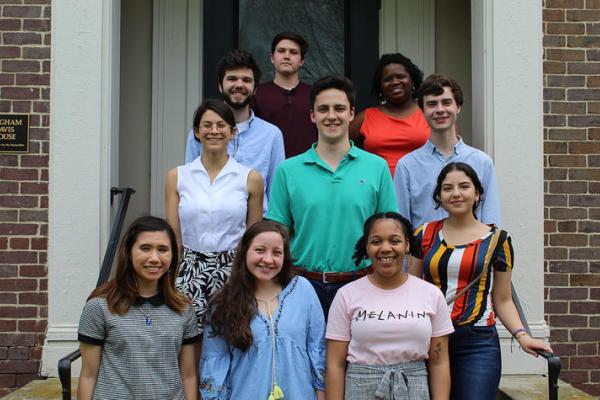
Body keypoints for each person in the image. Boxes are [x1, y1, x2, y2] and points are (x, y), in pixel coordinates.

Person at [412, 162, 552, 400]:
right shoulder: (424, 234)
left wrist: (521, 335)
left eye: (464, 186)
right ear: (439, 196)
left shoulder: (498, 240)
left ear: (477, 194)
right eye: (448, 188)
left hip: (476, 342)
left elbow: (503, 299)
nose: (456, 193)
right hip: (428, 338)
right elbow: (411, 289)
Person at [267, 75, 398, 316]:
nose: (331, 116)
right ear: (312, 115)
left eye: (339, 108)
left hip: (362, 284)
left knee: (356, 355)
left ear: (351, 114)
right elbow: (277, 235)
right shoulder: (288, 170)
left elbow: (390, 231)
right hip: (302, 285)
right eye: (323, 109)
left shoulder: (376, 167)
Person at [326, 212, 453, 400]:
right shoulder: (346, 295)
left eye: (394, 241)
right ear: (367, 247)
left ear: (407, 244)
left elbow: (439, 363)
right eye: (376, 241)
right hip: (360, 389)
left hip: (414, 390)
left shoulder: (431, 294)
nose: (385, 248)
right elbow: (335, 365)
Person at [165, 100, 263, 333]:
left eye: (221, 125)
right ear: (197, 132)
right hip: (188, 269)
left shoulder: (250, 178)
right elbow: (173, 235)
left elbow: (254, 237)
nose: (214, 131)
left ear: (232, 131)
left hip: (233, 269)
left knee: (232, 336)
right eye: (206, 125)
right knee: (188, 340)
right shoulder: (177, 177)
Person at [77, 216, 200, 400]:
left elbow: (189, 376)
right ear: (128, 252)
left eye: (163, 250)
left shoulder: (184, 309)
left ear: (173, 256)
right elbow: (88, 375)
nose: (154, 258)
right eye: (145, 248)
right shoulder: (99, 307)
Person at [200, 220, 326, 400]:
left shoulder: (303, 290)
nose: (268, 259)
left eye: (277, 252)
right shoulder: (222, 303)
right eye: (260, 250)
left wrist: (321, 393)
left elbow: (317, 349)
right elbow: (214, 364)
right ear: (244, 252)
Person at [394, 74, 502, 228]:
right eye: (432, 104)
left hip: (472, 251)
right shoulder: (407, 166)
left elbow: (492, 222)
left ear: (458, 107)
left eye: (446, 102)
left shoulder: (482, 162)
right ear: (422, 110)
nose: (440, 110)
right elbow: (401, 225)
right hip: (425, 251)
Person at [184, 49, 285, 206]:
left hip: (258, 227)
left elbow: (277, 194)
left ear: (255, 88)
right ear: (220, 85)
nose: (239, 85)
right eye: (232, 79)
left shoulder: (272, 135)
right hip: (211, 224)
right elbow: (189, 187)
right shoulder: (200, 133)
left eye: (246, 80)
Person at [349, 53, 430, 177]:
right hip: (378, 191)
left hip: (423, 190)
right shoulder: (365, 118)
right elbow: (339, 150)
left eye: (401, 76)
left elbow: (453, 148)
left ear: (412, 80)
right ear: (380, 85)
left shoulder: (430, 111)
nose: (394, 82)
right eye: (388, 79)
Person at [252, 32, 317, 157]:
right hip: (268, 169)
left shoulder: (315, 95)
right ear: (272, 58)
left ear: (302, 61)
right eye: (281, 51)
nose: (287, 56)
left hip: (308, 168)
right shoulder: (256, 93)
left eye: (293, 52)